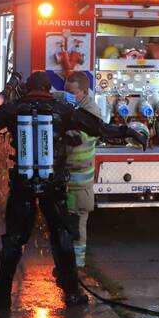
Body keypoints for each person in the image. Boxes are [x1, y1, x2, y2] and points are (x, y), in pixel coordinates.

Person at [0, 71, 147, 309]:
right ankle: (72, 294)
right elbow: (100, 128)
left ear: (27, 89)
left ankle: (3, 297)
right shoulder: (63, 110)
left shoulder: (13, 109)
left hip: (23, 185)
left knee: (13, 240)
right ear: (50, 89)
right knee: (62, 236)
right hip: (53, 185)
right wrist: (130, 132)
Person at [62, 71, 99, 268]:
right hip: (71, 181)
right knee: (69, 222)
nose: (67, 94)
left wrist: (57, 136)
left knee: (77, 224)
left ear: (83, 92)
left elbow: (76, 140)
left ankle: (77, 267)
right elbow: (58, 96)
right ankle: (69, 263)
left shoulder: (91, 113)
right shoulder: (76, 104)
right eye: (65, 90)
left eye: (71, 92)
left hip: (80, 183)